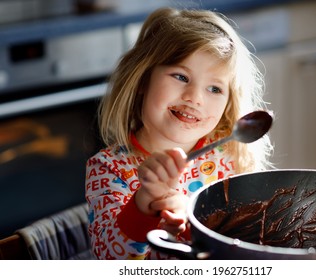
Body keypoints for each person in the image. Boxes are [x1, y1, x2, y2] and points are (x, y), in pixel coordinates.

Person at [85, 7, 273, 260]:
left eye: (214, 89)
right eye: (181, 76)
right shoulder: (108, 169)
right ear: (142, 80)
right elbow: (110, 259)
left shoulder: (229, 153)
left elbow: (251, 240)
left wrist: (194, 224)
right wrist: (145, 204)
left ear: (229, 103)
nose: (194, 98)